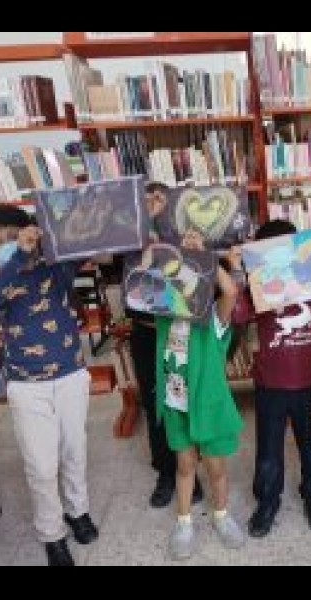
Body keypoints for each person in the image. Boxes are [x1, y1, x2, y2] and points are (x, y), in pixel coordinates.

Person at [0, 205, 98, 567]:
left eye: (15, 236)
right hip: (27, 386)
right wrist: (18, 254)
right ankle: (51, 533)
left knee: (75, 451)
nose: (10, 244)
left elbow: (92, 244)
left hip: (70, 374)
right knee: (41, 467)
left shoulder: (56, 267)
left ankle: (78, 511)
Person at [229, 220, 311, 538]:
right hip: (270, 384)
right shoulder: (261, 289)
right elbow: (237, 314)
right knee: (269, 451)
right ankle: (267, 501)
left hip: (309, 380)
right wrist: (237, 273)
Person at [157, 230, 245, 561]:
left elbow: (231, 291)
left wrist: (205, 256)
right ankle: (184, 522)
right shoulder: (164, 318)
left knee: (216, 468)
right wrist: (177, 254)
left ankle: (221, 515)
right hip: (176, 405)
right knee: (184, 465)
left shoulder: (214, 321)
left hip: (209, 407)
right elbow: (147, 283)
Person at [123, 181, 203, 509]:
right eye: (146, 201)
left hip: (177, 331)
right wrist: (145, 220)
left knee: (181, 400)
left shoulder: (183, 235)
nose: (153, 205)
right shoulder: (130, 238)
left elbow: (197, 279)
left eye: (159, 201)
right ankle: (166, 472)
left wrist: (164, 221)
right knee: (156, 404)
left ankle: (189, 470)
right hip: (145, 333)